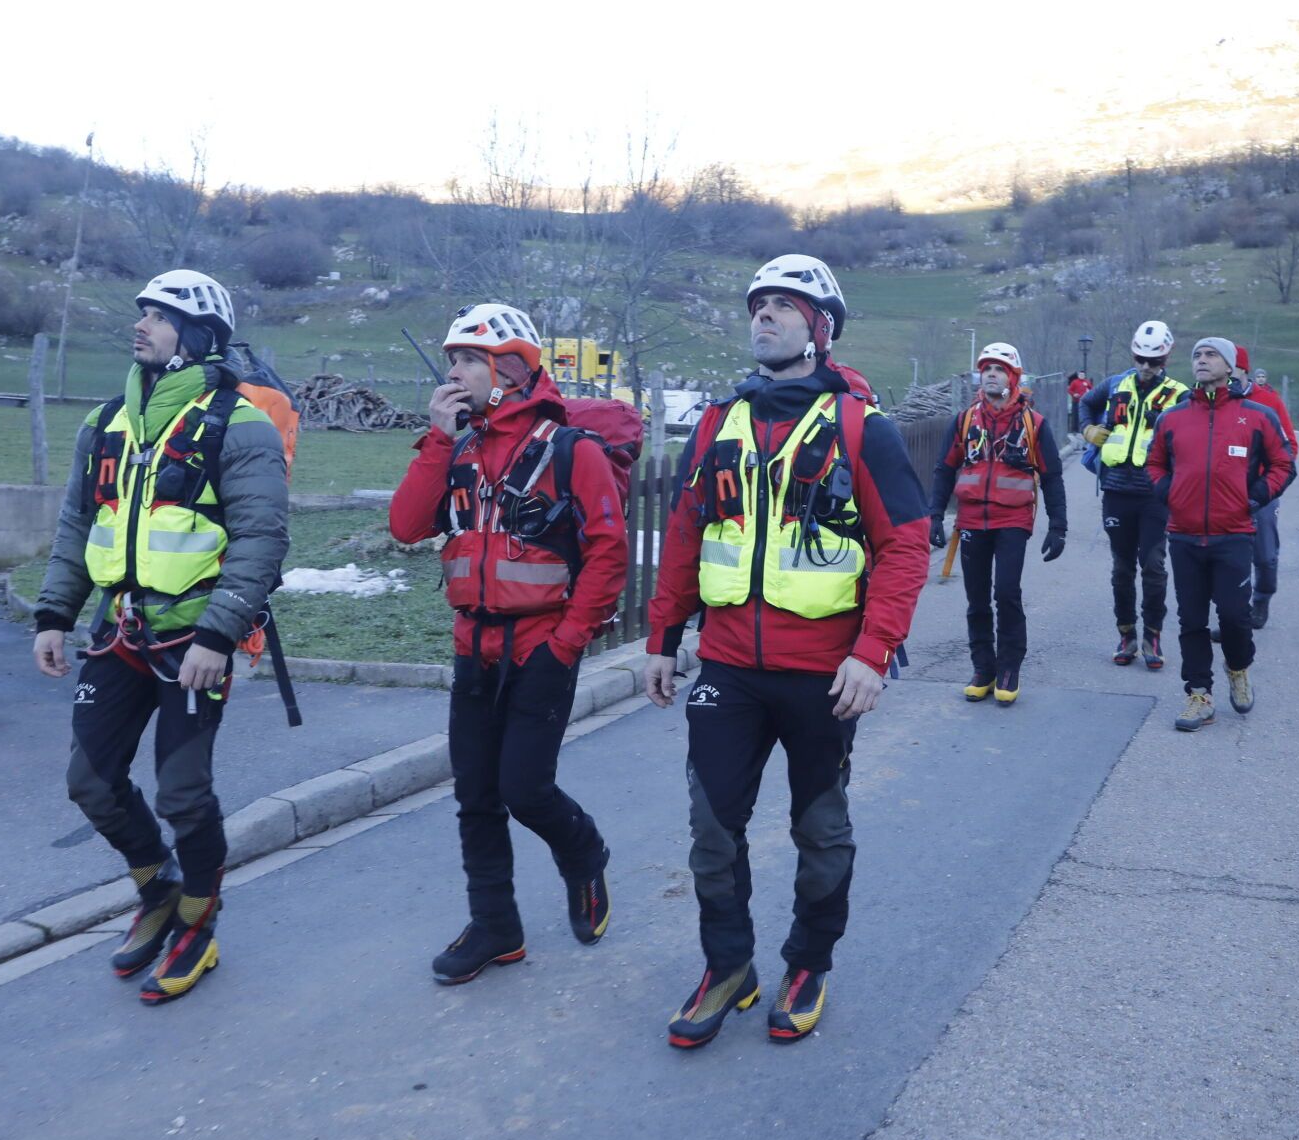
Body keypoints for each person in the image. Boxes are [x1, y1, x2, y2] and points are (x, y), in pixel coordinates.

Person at [642, 254, 929, 1048]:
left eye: (784, 305)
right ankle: (728, 964)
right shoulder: (717, 423)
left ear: (821, 328)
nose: (763, 315)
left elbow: (906, 544)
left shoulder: (859, 427)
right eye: (758, 304)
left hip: (824, 673)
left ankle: (809, 962)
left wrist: (873, 652)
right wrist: (664, 636)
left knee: (820, 828)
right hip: (729, 666)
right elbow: (686, 535)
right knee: (710, 826)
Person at [32, 270, 290, 1005]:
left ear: (200, 336)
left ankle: (199, 925)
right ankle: (158, 888)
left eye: (160, 315)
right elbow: (78, 526)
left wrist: (219, 632)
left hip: (192, 643)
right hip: (116, 634)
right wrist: (54, 614)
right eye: (142, 311)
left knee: (183, 793)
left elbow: (262, 538)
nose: (141, 324)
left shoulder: (240, 424)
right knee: (89, 780)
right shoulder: (106, 423)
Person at [388, 303, 628, 986]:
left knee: (524, 788)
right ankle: (496, 925)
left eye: (466, 359)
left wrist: (567, 644)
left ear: (510, 369)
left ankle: (584, 853)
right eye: (452, 359)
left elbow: (609, 553)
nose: (453, 371)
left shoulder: (570, 450)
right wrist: (438, 440)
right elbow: (406, 525)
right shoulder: (458, 447)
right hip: (473, 648)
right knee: (476, 795)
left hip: (542, 645)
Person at [1146, 338, 1295, 732]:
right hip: (1184, 535)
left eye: (1211, 355)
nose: (1202, 360)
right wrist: (1170, 495)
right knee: (1191, 619)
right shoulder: (1173, 417)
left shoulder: (1257, 415)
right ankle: (1199, 694)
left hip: (1234, 534)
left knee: (1234, 616)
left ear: (1230, 366)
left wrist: (1254, 498)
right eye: (1197, 355)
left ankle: (1238, 667)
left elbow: (1284, 463)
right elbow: (1155, 463)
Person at [928, 341, 1067, 705]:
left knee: (1006, 592)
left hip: (1012, 520)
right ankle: (983, 668)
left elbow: (1052, 477)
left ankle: (1009, 667)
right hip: (971, 520)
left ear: (1014, 377)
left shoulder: (1033, 424)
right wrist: (934, 516)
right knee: (976, 600)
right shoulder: (964, 421)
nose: (990, 373)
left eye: (999, 369)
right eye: (986, 368)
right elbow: (944, 469)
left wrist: (1059, 526)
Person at [1078, 321, 1189, 671]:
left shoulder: (1181, 395)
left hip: (1155, 495)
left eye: (1153, 361)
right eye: (1140, 358)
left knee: (1153, 567)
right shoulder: (1114, 385)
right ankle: (1126, 634)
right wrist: (1088, 429)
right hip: (1116, 490)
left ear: (1166, 358)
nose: (1145, 367)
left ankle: (1152, 635)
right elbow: (1085, 402)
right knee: (1122, 569)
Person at [1242, 354, 1297, 629]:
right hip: (1224, 491)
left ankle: (1261, 599)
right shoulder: (1212, 401)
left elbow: (1290, 450)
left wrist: (1265, 486)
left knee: (1264, 552)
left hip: (1261, 492)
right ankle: (1234, 610)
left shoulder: (1270, 402)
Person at [1066, 370, 1092, 435]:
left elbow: (1091, 389)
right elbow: (1069, 390)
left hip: (1084, 402)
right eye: (1080, 375)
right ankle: (1074, 430)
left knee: (1083, 415)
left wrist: (1089, 393)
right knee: (1075, 416)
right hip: (1076, 401)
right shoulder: (1074, 382)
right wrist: (1074, 394)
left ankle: (1082, 429)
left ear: (1084, 375)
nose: (1081, 376)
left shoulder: (1087, 382)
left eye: (1083, 375)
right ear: (1078, 375)